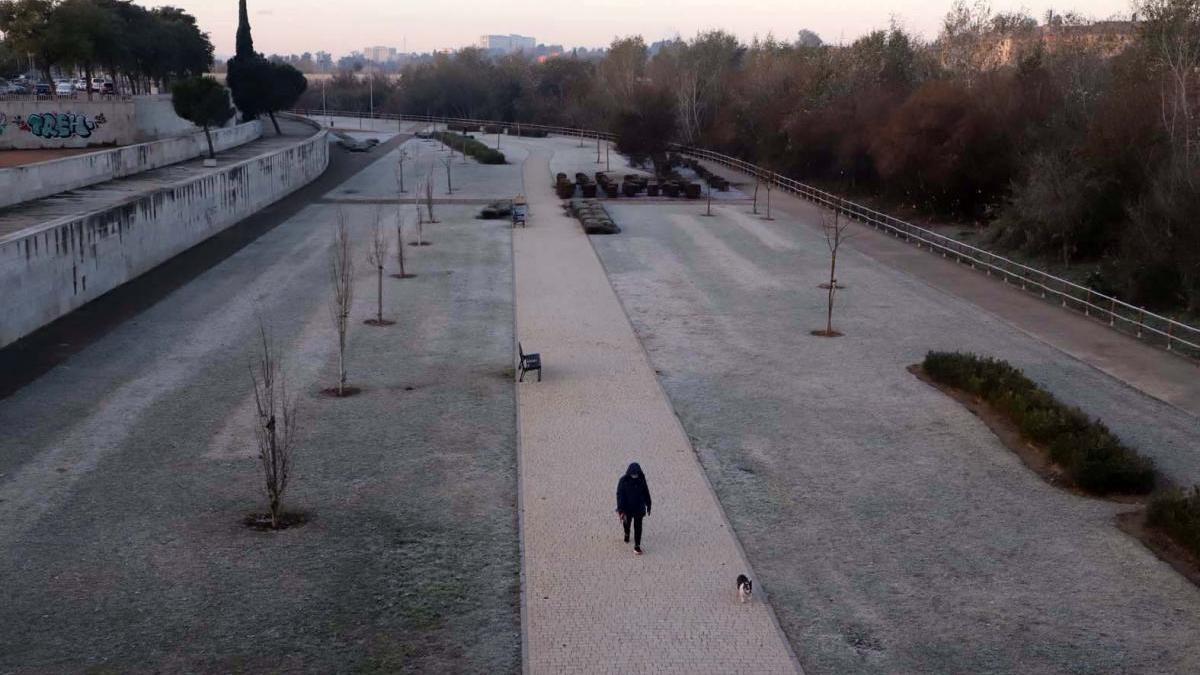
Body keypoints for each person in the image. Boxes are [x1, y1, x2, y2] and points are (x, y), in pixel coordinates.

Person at [616, 462, 652, 555]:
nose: (635, 475)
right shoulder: (623, 481)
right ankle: (627, 534)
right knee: (626, 524)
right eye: (633, 474)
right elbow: (620, 495)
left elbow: (646, 492)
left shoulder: (641, 480)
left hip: (639, 508)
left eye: (636, 473)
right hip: (627, 508)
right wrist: (621, 510)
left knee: (638, 527)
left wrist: (649, 504)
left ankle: (637, 546)